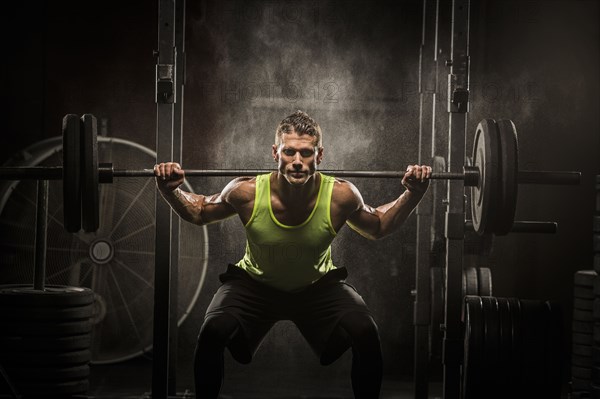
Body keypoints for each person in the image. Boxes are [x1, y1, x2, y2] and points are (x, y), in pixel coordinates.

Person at [154, 110, 431, 398]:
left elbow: (377, 226)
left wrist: (413, 194)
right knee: (212, 331)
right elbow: (199, 211)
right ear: (275, 152)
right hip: (254, 285)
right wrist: (169, 190)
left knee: (365, 332)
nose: (297, 162)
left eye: (305, 153)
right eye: (289, 152)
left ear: (319, 155)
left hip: (316, 287)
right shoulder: (246, 192)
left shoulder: (341, 195)